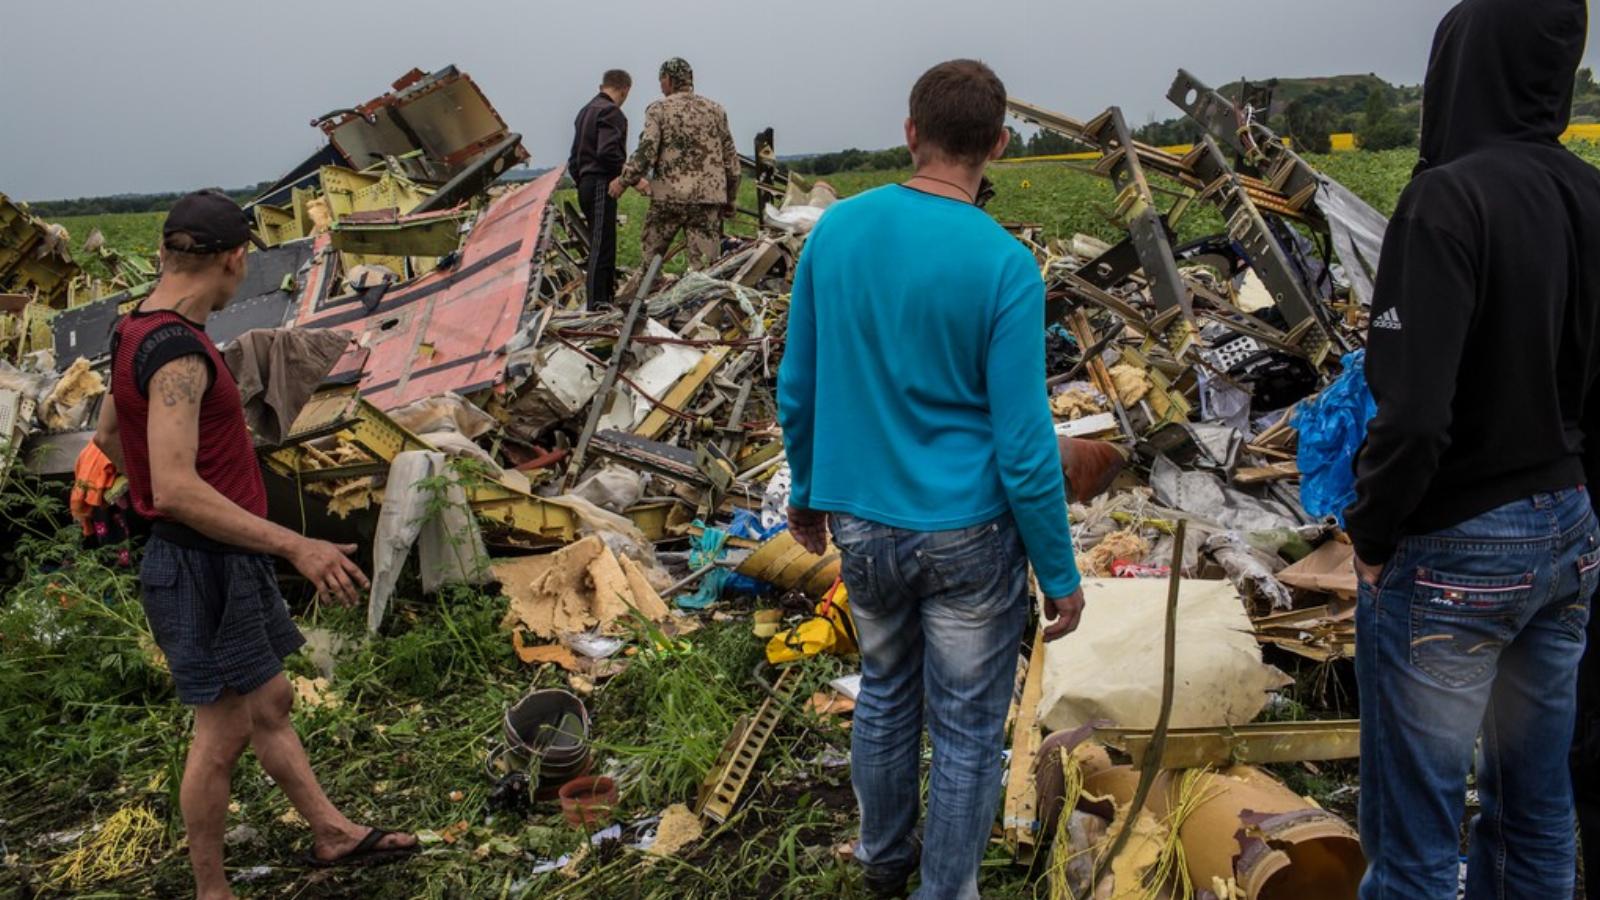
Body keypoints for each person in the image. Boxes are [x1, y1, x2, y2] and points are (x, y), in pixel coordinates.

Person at [777, 59, 1086, 899]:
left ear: (910, 133)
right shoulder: (1005, 265)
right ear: (998, 144)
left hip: (865, 530)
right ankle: (945, 890)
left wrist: (807, 493)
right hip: (970, 539)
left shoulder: (834, 234)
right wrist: (1058, 573)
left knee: (883, 695)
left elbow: (797, 387)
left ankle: (883, 862)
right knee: (966, 727)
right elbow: (1024, 444)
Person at [92, 191, 417, 900]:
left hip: (213, 556)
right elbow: (176, 487)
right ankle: (213, 890)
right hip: (200, 561)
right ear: (236, 259)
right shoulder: (178, 352)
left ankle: (330, 831)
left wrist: (149, 488)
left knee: (267, 697)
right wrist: (296, 545)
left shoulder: (131, 329)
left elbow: (109, 438)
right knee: (224, 728)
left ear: (167, 254)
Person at [1343, 1, 1599, 896]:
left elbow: (1413, 414)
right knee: (1536, 815)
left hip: (1458, 542)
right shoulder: (1588, 194)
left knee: (1415, 841)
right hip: (1568, 532)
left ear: (1464, 64)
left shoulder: (1448, 197)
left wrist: (1372, 534)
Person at [610, 57, 739, 273]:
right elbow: (731, 161)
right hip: (706, 200)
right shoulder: (716, 110)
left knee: (650, 265)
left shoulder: (658, 110)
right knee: (705, 270)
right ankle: (703, 305)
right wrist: (731, 198)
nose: (661, 87)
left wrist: (624, 181)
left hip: (668, 199)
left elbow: (646, 152)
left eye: (661, 81)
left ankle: (645, 302)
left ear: (668, 80)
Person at [567, 69, 632, 309]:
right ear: (625, 90)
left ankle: (603, 299)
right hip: (601, 182)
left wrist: (582, 178)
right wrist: (626, 176)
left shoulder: (584, 112)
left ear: (602, 85)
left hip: (585, 181)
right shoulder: (611, 112)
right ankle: (598, 303)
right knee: (602, 246)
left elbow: (573, 159)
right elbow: (607, 152)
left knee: (599, 241)